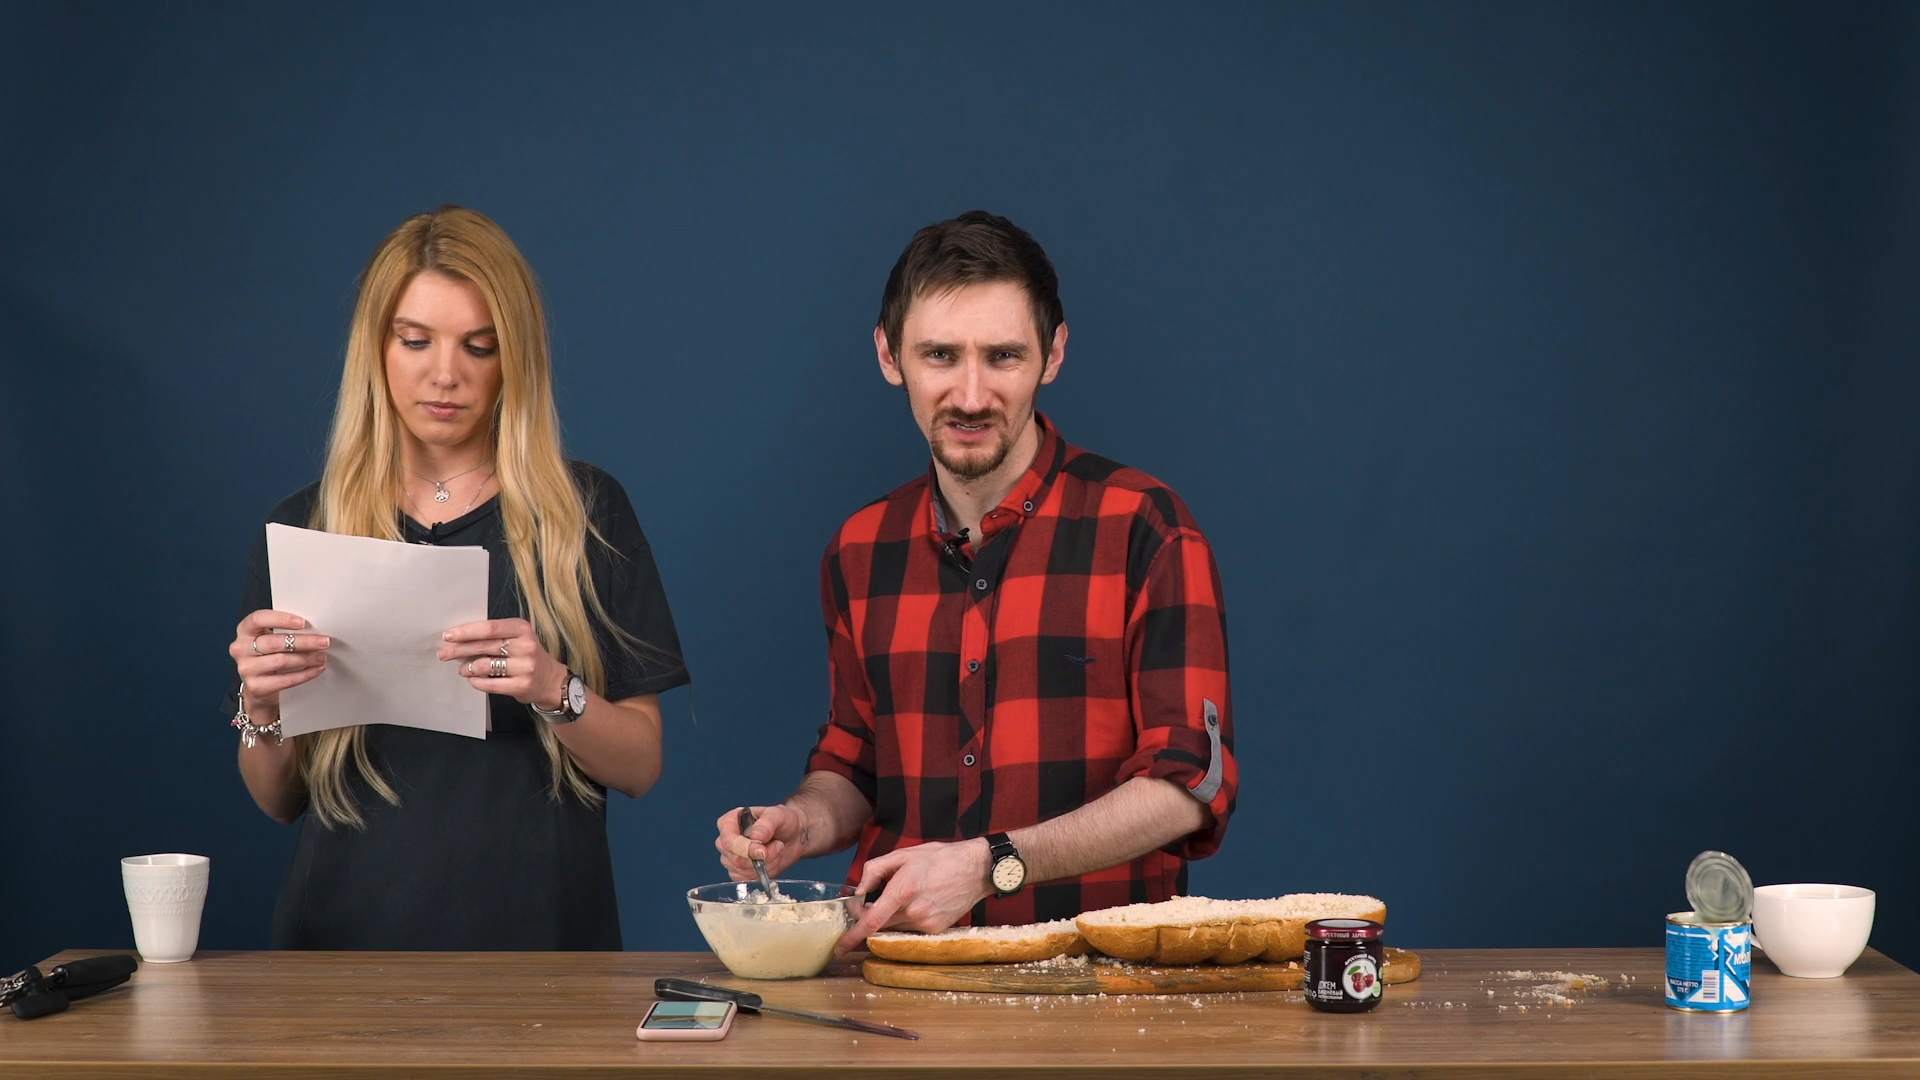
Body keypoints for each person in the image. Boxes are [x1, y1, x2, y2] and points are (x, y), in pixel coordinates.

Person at [715, 210, 1236, 950]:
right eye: (939, 355)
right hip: (900, 971)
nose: (969, 396)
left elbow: (1190, 785)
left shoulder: (1144, 528)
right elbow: (856, 764)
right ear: (888, 354)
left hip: (1094, 976)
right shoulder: (860, 549)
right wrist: (800, 823)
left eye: (1002, 357)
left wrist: (993, 864)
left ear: (1053, 354)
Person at [226, 206, 689, 950]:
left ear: (514, 359)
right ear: (376, 348)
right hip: (341, 941)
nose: (445, 374)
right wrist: (262, 704)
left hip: (540, 938)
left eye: (480, 346)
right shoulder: (307, 526)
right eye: (415, 341)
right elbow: (277, 800)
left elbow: (640, 765)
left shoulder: (585, 513)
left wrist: (554, 688)